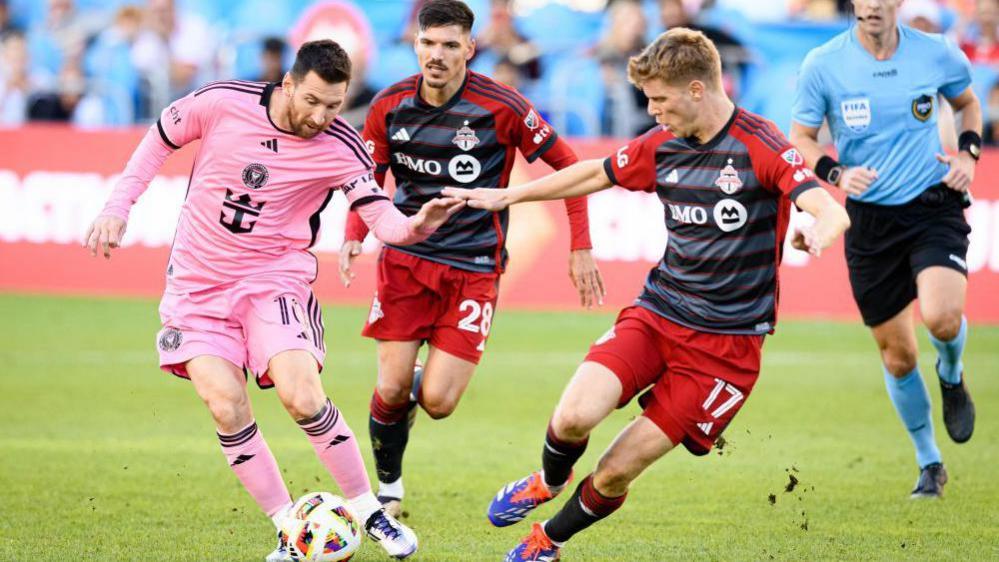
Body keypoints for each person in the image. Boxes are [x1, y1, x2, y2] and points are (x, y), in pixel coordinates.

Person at [443, 27, 851, 561]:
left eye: (660, 99)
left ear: (698, 90)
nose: (653, 111)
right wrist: (507, 195)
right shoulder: (662, 146)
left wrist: (815, 231)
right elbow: (594, 173)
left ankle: (549, 540)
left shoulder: (760, 145)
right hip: (658, 314)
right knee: (571, 418)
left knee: (615, 471)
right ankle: (546, 479)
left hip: (724, 349)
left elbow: (831, 209)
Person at [84, 39, 467, 561]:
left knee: (302, 396)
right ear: (288, 84)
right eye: (311, 101)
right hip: (197, 287)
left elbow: (384, 220)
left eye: (333, 105)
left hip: (273, 281)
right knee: (224, 403)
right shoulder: (220, 102)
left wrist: (416, 226)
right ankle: (292, 528)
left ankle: (367, 511)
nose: (321, 116)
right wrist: (116, 207)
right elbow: (157, 140)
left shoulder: (341, 146)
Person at [337, 0, 604, 519]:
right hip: (406, 260)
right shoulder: (389, 105)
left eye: (449, 45)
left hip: (474, 267)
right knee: (389, 387)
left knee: (436, 402)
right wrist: (354, 230)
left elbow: (568, 165)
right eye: (428, 43)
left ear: (470, 48)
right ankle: (388, 490)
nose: (436, 55)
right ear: (415, 43)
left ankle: (416, 388)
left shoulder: (502, 106)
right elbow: (368, 178)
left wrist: (580, 245)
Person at [790, 0, 980, 498]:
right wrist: (836, 173)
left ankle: (952, 372)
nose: (872, 4)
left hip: (932, 204)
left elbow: (967, 104)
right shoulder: (823, 63)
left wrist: (969, 153)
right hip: (870, 221)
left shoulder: (936, 52)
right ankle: (929, 462)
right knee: (897, 358)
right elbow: (801, 139)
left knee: (941, 317)